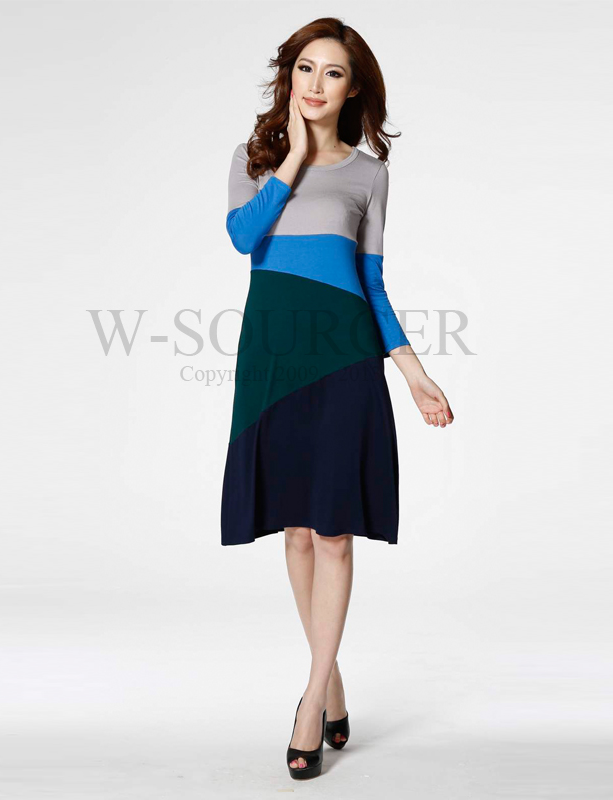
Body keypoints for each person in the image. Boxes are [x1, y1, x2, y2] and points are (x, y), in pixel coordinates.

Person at [220, 18, 454, 780]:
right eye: (305, 69)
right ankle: (334, 681)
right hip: (273, 360)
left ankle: (310, 700)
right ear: (289, 77)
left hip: (346, 360)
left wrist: (413, 371)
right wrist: (292, 155)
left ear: (353, 90)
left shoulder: (369, 176)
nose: (315, 84)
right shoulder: (254, 159)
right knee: (293, 532)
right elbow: (244, 238)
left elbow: (372, 285)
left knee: (333, 533)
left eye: (332, 73)